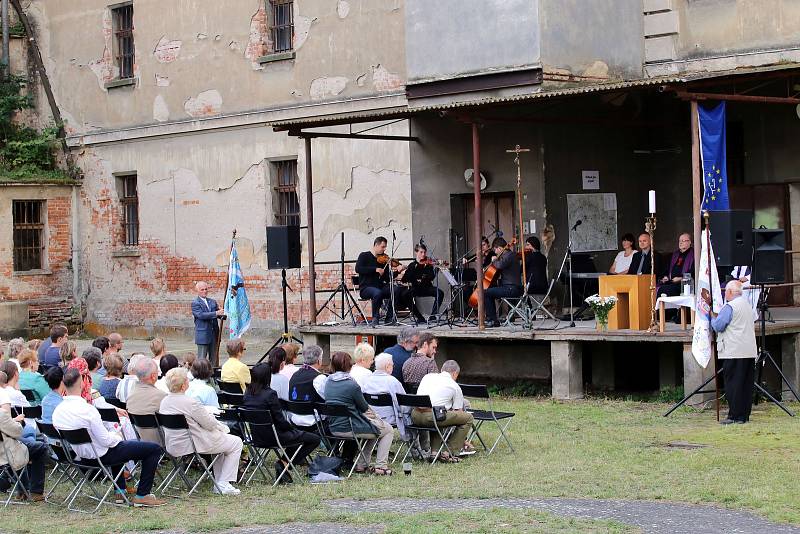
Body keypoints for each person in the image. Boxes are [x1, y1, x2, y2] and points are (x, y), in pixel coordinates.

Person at [53, 368, 166, 507]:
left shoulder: (58, 411)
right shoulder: (87, 410)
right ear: (82, 383)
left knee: (119, 446)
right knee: (153, 449)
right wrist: (116, 435)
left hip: (79, 457)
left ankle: (120, 490)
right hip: (100, 456)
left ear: (64, 384)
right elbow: (106, 441)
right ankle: (143, 495)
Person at [159, 367, 243, 495]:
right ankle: (224, 482)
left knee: (223, 444)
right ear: (183, 386)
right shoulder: (190, 402)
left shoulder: (164, 402)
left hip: (173, 444)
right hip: (194, 443)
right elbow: (209, 424)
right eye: (187, 380)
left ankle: (220, 482)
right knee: (236, 442)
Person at [242, 363, 321, 483]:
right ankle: (284, 463)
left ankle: (284, 463)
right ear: (267, 377)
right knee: (314, 439)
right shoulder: (270, 394)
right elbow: (280, 421)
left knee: (296, 438)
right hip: (275, 437)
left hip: (256, 436)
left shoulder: (247, 393)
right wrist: (292, 428)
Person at [324, 352, 394, 475]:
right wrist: (376, 417)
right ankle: (381, 466)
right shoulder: (352, 385)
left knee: (375, 427)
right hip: (350, 427)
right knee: (387, 429)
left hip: (333, 427)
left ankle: (362, 465)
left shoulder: (328, 382)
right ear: (349, 366)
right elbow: (364, 408)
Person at [706, 280, 758, 425]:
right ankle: (743, 416)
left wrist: (710, 316)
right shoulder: (748, 305)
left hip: (734, 350)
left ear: (729, 292)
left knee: (733, 384)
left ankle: (734, 416)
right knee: (745, 385)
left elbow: (718, 326)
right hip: (748, 350)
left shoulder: (730, 307)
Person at [412, 360, 474, 462]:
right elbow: (458, 412)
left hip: (415, 416)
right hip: (432, 418)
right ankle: (449, 452)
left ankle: (434, 453)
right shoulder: (454, 386)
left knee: (441, 414)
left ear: (442, 370)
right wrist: (463, 438)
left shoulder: (428, 377)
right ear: (455, 373)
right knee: (468, 418)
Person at [0, 393, 48, 501]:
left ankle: (22, 490)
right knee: (40, 448)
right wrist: (19, 421)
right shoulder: (1, 414)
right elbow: (17, 432)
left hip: (6, 449)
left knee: (24, 446)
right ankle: (36, 492)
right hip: (7, 454)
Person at [355, 236, 407, 326]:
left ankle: (389, 318)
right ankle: (375, 318)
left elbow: (387, 278)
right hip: (366, 288)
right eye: (383, 247)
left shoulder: (383, 261)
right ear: (376, 245)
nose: (384, 249)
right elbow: (358, 268)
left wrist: (398, 271)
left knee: (396, 290)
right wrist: (375, 269)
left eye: (385, 247)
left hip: (380, 287)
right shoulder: (364, 255)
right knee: (377, 293)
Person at [362, 352, 410, 442]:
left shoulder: (368, 380)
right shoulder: (392, 381)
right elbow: (404, 403)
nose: (393, 367)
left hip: (371, 418)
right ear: (387, 366)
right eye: (392, 365)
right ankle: (417, 449)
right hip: (389, 419)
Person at [126, 358, 167, 444]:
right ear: (153, 376)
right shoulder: (161, 396)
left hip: (142, 441)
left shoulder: (130, 396)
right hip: (161, 442)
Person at [483, 237, 523, 328]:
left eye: (495, 250)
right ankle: (503, 317)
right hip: (510, 287)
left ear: (500, 248)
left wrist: (494, 260)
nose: (495, 253)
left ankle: (493, 320)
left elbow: (500, 265)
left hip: (512, 288)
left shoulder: (509, 255)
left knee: (486, 293)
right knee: (490, 291)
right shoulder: (508, 256)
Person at [401, 243, 445, 322]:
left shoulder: (428, 264)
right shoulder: (412, 265)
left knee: (440, 293)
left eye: (424, 252)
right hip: (416, 288)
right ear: (416, 252)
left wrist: (436, 270)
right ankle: (419, 317)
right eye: (421, 252)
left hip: (427, 287)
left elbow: (431, 277)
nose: (423, 254)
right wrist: (411, 272)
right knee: (405, 295)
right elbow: (404, 279)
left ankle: (433, 316)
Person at [287, 345, 327, 430]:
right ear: (319, 361)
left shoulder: (294, 375)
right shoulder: (319, 378)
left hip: (295, 422)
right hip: (315, 423)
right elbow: (328, 398)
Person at [192, 281, 225, 362]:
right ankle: (201, 374)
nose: (204, 291)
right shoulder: (195, 303)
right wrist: (216, 313)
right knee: (202, 359)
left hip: (214, 334)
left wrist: (224, 312)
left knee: (214, 358)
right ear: (197, 291)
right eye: (202, 290)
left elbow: (219, 315)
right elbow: (201, 315)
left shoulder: (212, 301)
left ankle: (214, 373)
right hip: (203, 335)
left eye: (206, 289)